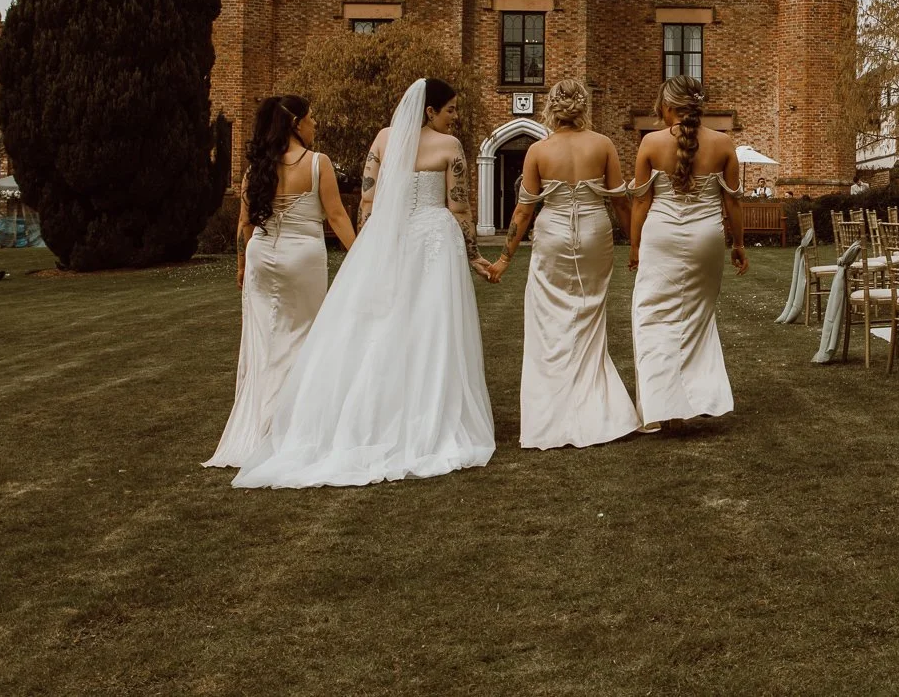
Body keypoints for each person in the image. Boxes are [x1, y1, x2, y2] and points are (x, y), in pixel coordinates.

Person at [232, 78, 496, 488]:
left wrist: (368, 252)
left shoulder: (383, 139)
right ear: (430, 111)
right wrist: (475, 255)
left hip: (387, 240)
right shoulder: (450, 147)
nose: (454, 117)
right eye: (450, 110)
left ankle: (375, 413)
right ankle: (430, 414)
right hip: (433, 240)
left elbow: (368, 202)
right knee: (433, 328)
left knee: (385, 326)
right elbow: (459, 207)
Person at [485, 79, 640, 449]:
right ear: (582, 107)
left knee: (548, 320)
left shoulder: (538, 150)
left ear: (552, 108)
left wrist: (504, 259)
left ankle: (552, 415)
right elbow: (620, 203)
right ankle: (598, 409)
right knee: (589, 315)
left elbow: (524, 211)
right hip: (594, 231)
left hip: (553, 232)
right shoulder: (602, 144)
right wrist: (636, 245)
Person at [204, 95, 356, 468]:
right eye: (311, 117)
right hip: (301, 257)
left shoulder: (256, 168)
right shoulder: (317, 163)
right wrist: (361, 256)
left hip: (261, 258)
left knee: (264, 342)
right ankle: (290, 426)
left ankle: (261, 424)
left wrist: (242, 266)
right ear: (295, 124)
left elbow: (245, 225)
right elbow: (336, 217)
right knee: (302, 337)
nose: (315, 123)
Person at [627, 75, 747, 430]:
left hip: (660, 236)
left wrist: (634, 246)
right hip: (707, 239)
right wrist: (738, 245)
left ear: (667, 106)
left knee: (651, 318)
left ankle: (662, 407)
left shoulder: (650, 142)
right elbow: (733, 203)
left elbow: (640, 204)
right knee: (696, 320)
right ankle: (699, 398)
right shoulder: (724, 144)